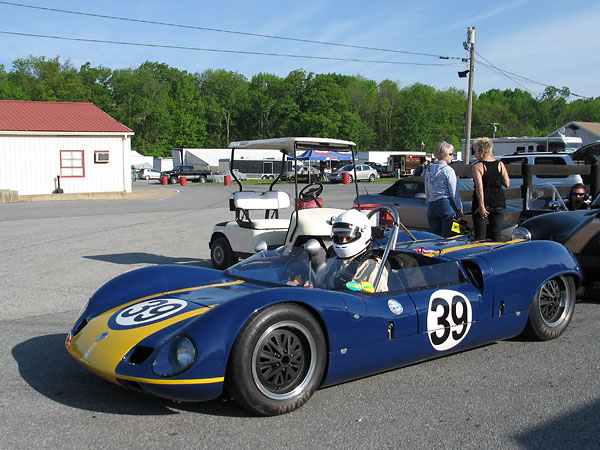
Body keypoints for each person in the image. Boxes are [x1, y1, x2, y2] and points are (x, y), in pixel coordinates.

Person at [321, 209, 388, 292]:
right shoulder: (333, 261)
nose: (343, 241)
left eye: (348, 238)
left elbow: (377, 300)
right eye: (339, 238)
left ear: (362, 235)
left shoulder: (371, 267)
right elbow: (318, 285)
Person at [471, 137, 510, 241]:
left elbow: (480, 188)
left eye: (475, 151)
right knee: (496, 234)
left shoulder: (478, 166)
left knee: (480, 236)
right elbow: (507, 183)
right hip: (499, 201)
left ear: (481, 150)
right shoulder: (500, 164)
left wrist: (481, 206)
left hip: (485, 202)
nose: (474, 154)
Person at [424, 142, 463, 237]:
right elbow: (453, 192)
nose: (452, 156)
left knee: (434, 235)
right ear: (444, 154)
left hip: (432, 205)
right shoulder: (448, 170)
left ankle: (434, 251)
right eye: (450, 154)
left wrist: (428, 200)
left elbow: (427, 188)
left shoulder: (428, 170)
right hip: (445, 203)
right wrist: (459, 208)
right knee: (449, 234)